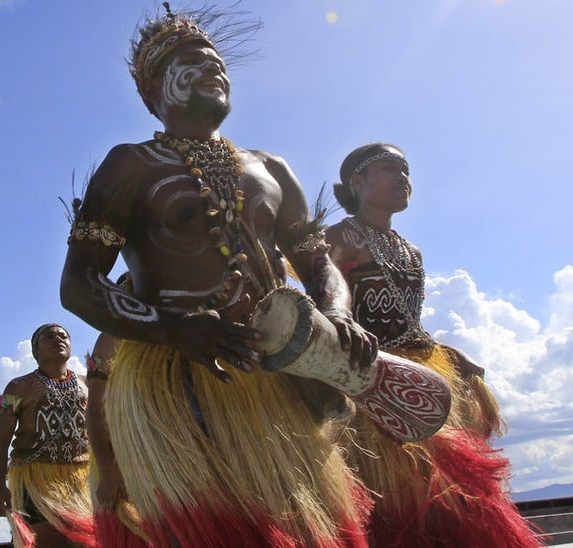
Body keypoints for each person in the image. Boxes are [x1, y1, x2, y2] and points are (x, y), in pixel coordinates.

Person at [59, 5, 378, 546]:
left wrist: (337, 314)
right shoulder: (129, 165)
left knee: (303, 527)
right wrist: (177, 329)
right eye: (190, 60)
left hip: (275, 375)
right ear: (154, 88)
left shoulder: (271, 168)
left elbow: (317, 261)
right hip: (175, 383)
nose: (213, 68)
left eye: (216, 61)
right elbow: (79, 285)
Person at [325, 143, 539, 547]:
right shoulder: (340, 237)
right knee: (395, 501)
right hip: (370, 383)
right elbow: (327, 304)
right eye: (389, 168)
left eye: (406, 171)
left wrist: (447, 353)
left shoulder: (411, 250)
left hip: (423, 374)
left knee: (452, 498)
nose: (403, 178)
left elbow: (410, 321)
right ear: (358, 181)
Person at [0, 324, 94, 548]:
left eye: (63, 336)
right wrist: (0, 487)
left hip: (82, 479)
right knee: (46, 542)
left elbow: (103, 431)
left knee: (86, 542)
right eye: (49, 337)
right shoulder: (16, 388)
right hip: (35, 480)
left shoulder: (88, 385)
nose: (58, 339)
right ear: (35, 351)